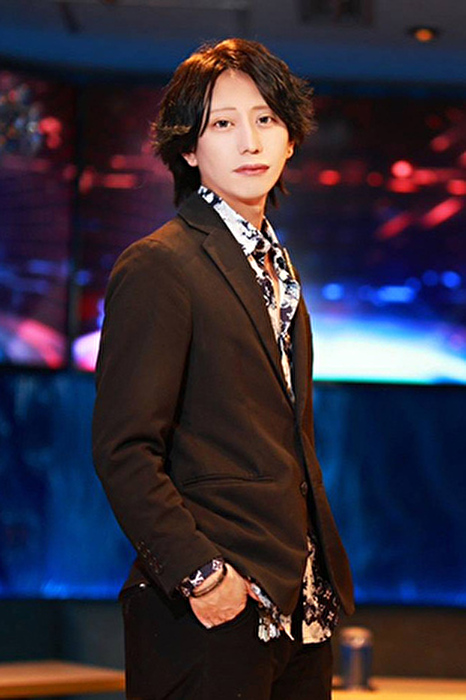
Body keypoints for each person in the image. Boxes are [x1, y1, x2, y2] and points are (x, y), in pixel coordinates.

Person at [92, 37, 354, 700]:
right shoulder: (160, 264)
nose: (250, 142)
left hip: (302, 607)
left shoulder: (278, 269)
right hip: (211, 609)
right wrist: (201, 575)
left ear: (290, 139)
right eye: (222, 123)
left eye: (265, 119)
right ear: (188, 148)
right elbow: (124, 448)